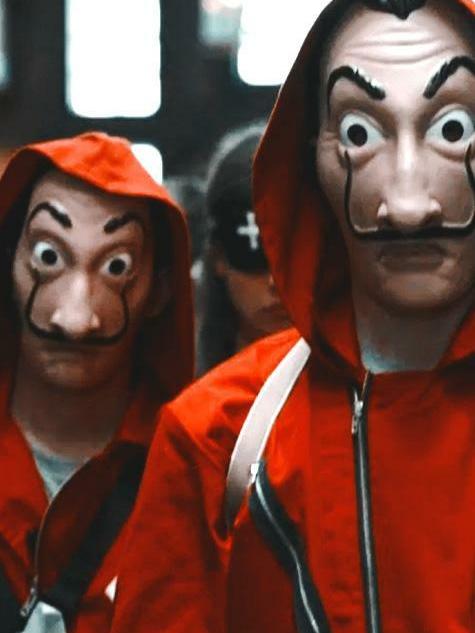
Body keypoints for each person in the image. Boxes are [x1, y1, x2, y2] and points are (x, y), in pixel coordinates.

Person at [111, 1, 475, 632]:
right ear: (311, 161)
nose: (407, 205)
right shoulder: (216, 437)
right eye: (359, 133)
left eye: (452, 129)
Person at [0, 131, 193, 633]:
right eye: (48, 256)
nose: (75, 319)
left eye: (116, 267)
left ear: (160, 290)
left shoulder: (197, 472)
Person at [198, 123, 291, 374]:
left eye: (292, 259)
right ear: (218, 256)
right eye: (254, 257)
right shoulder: (184, 387)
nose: (275, 282)